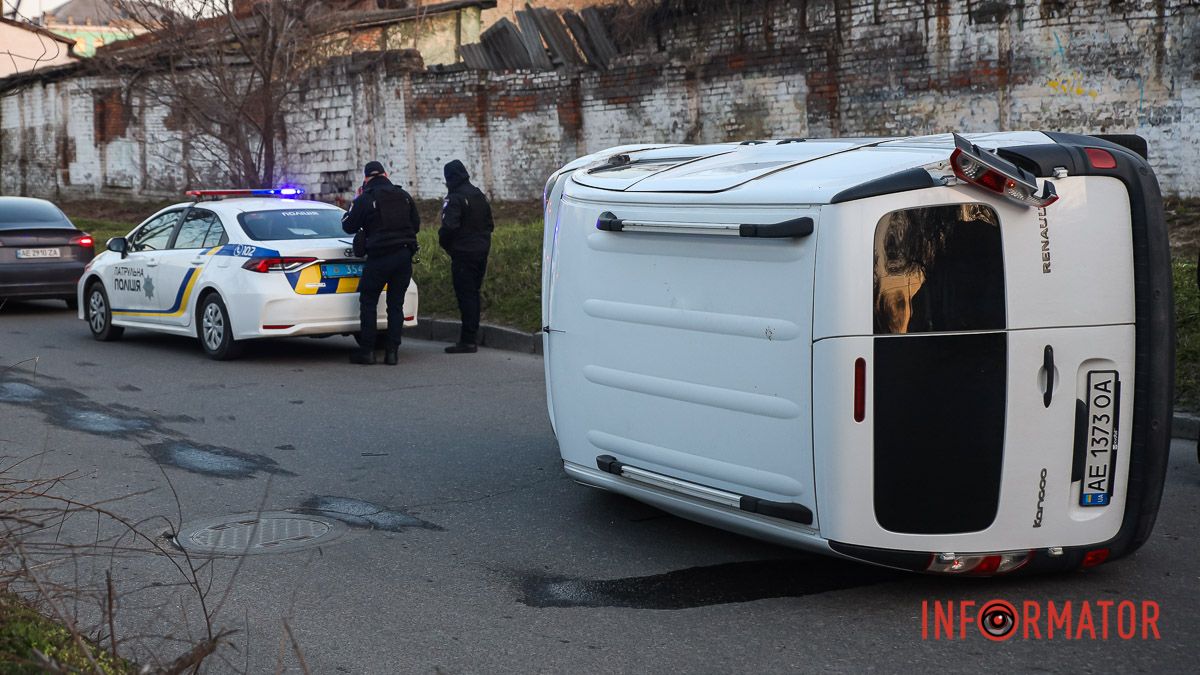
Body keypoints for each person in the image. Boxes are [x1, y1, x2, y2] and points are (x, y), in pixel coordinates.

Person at [342, 160, 420, 365]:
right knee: (396, 305)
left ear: (366, 178)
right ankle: (392, 352)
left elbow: (348, 226)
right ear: (385, 175)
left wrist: (356, 200)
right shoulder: (403, 196)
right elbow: (416, 225)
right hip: (404, 257)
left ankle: (367, 351)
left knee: (368, 302)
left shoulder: (365, 199)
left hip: (379, 258)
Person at [438, 159, 494, 354]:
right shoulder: (478, 195)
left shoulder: (454, 198)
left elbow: (448, 228)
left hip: (463, 254)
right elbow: (490, 225)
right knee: (474, 294)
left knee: (466, 296)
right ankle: (472, 335)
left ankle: (468, 340)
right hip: (481, 251)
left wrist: (448, 246)